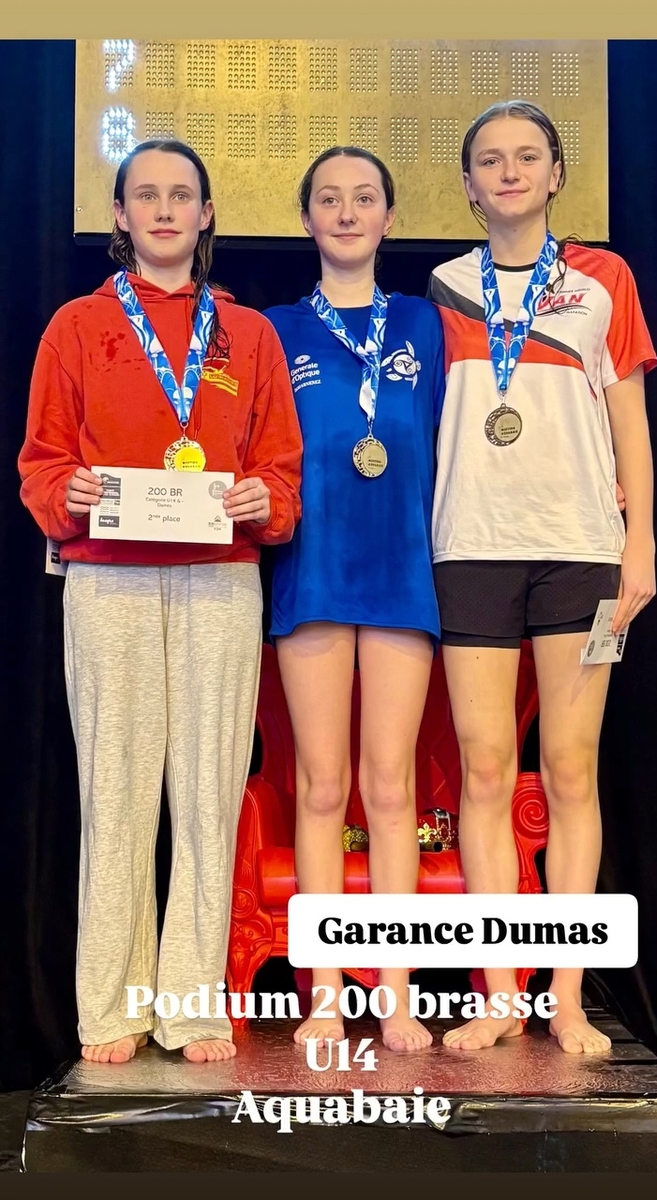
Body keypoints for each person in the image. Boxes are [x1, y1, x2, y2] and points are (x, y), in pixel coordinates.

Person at [18, 139, 302, 1065]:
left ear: (207, 213)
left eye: (183, 194)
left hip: (220, 579)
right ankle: (112, 1007)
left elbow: (281, 471)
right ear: (121, 215)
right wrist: (66, 493)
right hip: (109, 578)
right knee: (117, 794)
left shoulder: (247, 334)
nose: (166, 209)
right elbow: (41, 462)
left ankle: (191, 1005)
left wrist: (264, 499)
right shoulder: (76, 327)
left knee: (209, 796)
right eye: (147, 195)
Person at [428, 101, 657, 1054]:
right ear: (469, 185)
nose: (510, 171)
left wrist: (640, 542)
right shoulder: (442, 288)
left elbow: (628, 417)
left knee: (568, 768)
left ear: (556, 174)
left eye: (527, 156)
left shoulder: (603, 279)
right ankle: (498, 995)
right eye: (490, 160)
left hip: (580, 549)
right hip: (470, 549)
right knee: (484, 770)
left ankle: (564, 996)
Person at [264, 146, 446, 1052]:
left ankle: (398, 994)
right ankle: (327, 993)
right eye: (329, 199)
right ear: (306, 219)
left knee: (389, 785)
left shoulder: (423, 324)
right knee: (322, 784)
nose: (345, 212)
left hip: (401, 572)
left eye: (363, 198)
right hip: (313, 571)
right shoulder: (273, 330)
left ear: (387, 217)